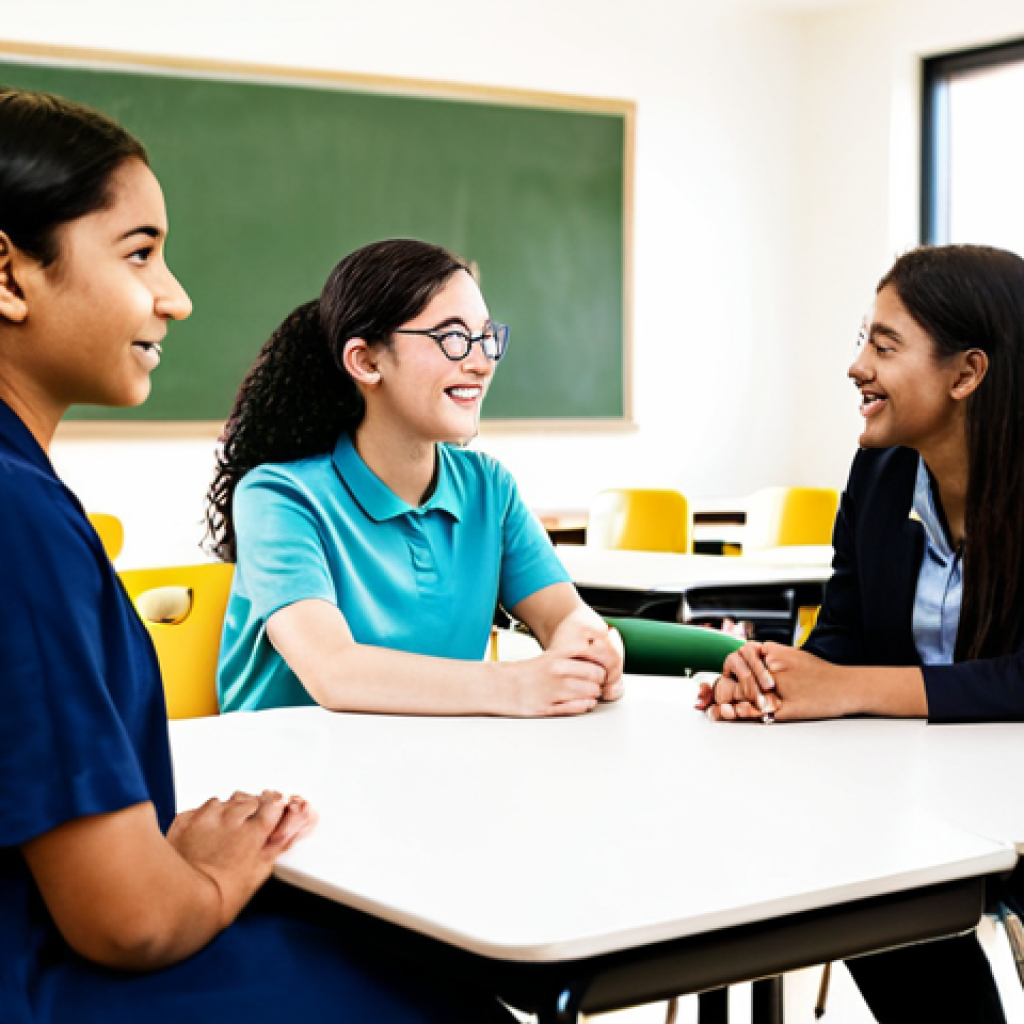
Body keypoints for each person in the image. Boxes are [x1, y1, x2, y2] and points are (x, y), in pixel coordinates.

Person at [0, 87, 517, 1023]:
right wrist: (202, 873)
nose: (177, 297)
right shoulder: (18, 516)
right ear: (7, 274)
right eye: (141, 253)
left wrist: (162, 854)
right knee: (450, 999)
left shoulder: (22, 497)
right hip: (42, 983)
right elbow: (131, 924)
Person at [698, 243, 1024, 1023]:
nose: (855, 367)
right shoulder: (879, 473)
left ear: (967, 373)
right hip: (925, 800)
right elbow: (844, 629)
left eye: (884, 346)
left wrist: (847, 689)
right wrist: (778, 675)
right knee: (851, 871)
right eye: (862, 341)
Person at [207, 238, 624, 716]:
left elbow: (564, 614)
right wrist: (511, 685)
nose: (481, 361)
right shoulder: (278, 497)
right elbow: (333, 670)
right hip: (285, 779)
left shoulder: (489, 488)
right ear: (366, 362)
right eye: (451, 338)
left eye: (486, 337)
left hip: (430, 765)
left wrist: (590, 643)